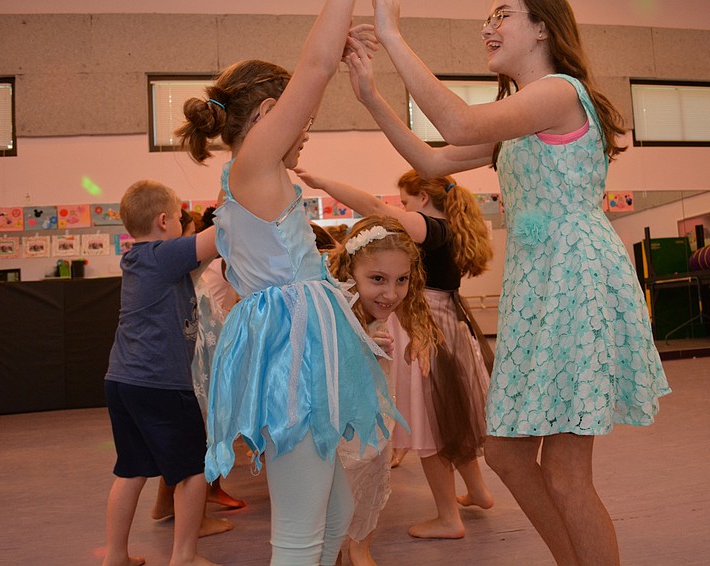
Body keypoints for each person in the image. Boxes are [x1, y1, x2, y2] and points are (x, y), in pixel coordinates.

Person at [342, 0, 672, 563]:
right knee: (507, 455)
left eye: (503, 14)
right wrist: (370, 92)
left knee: (566, 474)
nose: (488, 26)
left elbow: (459, 123)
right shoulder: (520, 119)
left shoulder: (560, 93)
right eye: (488, 17)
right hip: (538, 287)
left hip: (574, 281)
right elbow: (431, 156)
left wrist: (393, 36)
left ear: (543, 25)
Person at [175, 3, 401, 564]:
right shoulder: (254, 164)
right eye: (303, 119)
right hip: (291, 364)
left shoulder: (255, 175)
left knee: (335, 511)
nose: (306, 132)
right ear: (272, 113)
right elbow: (318, 64)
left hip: (297, 351)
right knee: (299, 533)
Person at [297, 170, 495, 540]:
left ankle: (449, 517)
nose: (401, 211)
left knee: (428, 424)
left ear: (423, 198)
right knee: (449, 416)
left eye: (404, 203)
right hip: (445, 321)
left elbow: (372, 207)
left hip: (427, 325)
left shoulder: (430, 227)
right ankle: (478, 491)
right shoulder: (450, 227)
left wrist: (326, 183)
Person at [102, 179, 218, 566]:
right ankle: (184, 556)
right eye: (182, 218)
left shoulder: (139, 258)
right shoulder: (162, 254)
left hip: (123, 380)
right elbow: (221, 235)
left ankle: (115, 555)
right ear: (165, 220)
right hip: (160, 383)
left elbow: (204, 252)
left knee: (132, 469)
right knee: (193, 470)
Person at [328, 215, 442, 565]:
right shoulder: (332, 306)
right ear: (351, 271)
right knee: (337, 493)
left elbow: (410, 307)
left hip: (376, 416)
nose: (391, 293)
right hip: (338, 425)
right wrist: (357, 342)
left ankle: (360, 547)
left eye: (402, 280)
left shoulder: (386, 301)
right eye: (377, 279)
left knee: (372, 474)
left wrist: (421, 333)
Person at [150, 208, 243, 534]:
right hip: (196, 368)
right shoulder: (182, 269)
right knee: (199, 439)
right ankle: (195, 519)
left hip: (202, 362)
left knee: (199, 437)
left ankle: (168, 504)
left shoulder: (188, 273)